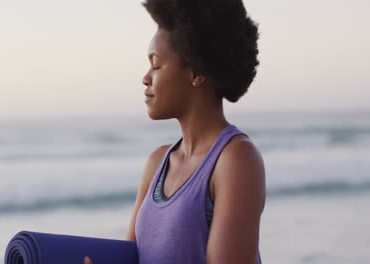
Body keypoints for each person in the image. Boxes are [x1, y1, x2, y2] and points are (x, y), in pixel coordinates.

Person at [85, 0, 265, 263]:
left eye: (156, 65)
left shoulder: (236, 160)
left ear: (197, 72)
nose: (146, 78)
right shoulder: (157, 163)